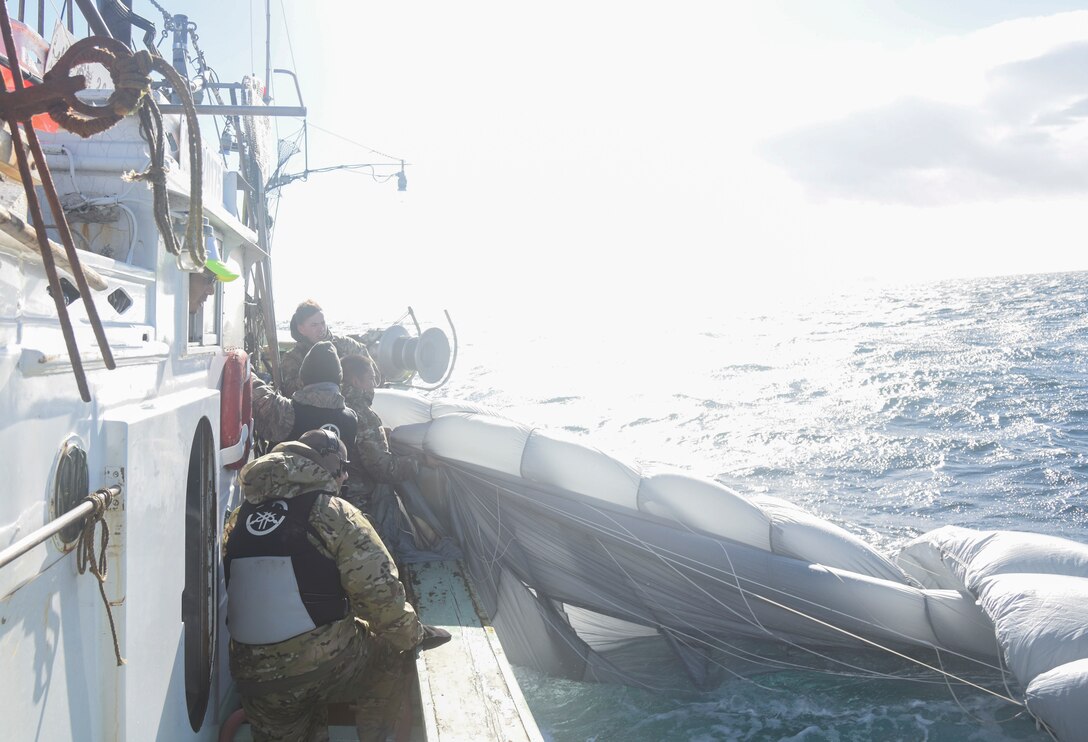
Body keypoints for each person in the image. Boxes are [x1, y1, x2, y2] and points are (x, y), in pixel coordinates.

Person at [223, 429, 441, 741]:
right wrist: (414, 634)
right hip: (326, 666)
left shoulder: (238, 518)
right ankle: (376, 737)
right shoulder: (333, 512)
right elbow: (381, 600)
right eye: (344, 468)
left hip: (254, 679)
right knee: (392, 649)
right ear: (330, 466)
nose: (346, 477)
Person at [341, 354, 418, 510]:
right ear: (356, 382)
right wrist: (419, 462)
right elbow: (383, 470)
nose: (375, 384)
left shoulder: (335, 405)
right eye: (371, 378)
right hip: (364, 502)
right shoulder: (363, 415)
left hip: (339, 497)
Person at [252, 340, 359, 450]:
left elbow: (254, 390)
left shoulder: (286, 412)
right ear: (339, 378)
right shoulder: (351, 419)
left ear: (302, 378)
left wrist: (247, 367)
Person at [280, 299, 374, 397]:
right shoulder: (292, 358)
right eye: (314, 325)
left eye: (323, 323)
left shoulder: (344, 344)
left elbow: (374, 374)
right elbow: (291, 392)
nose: (321, 329)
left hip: (356, 402)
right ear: (301, 329)